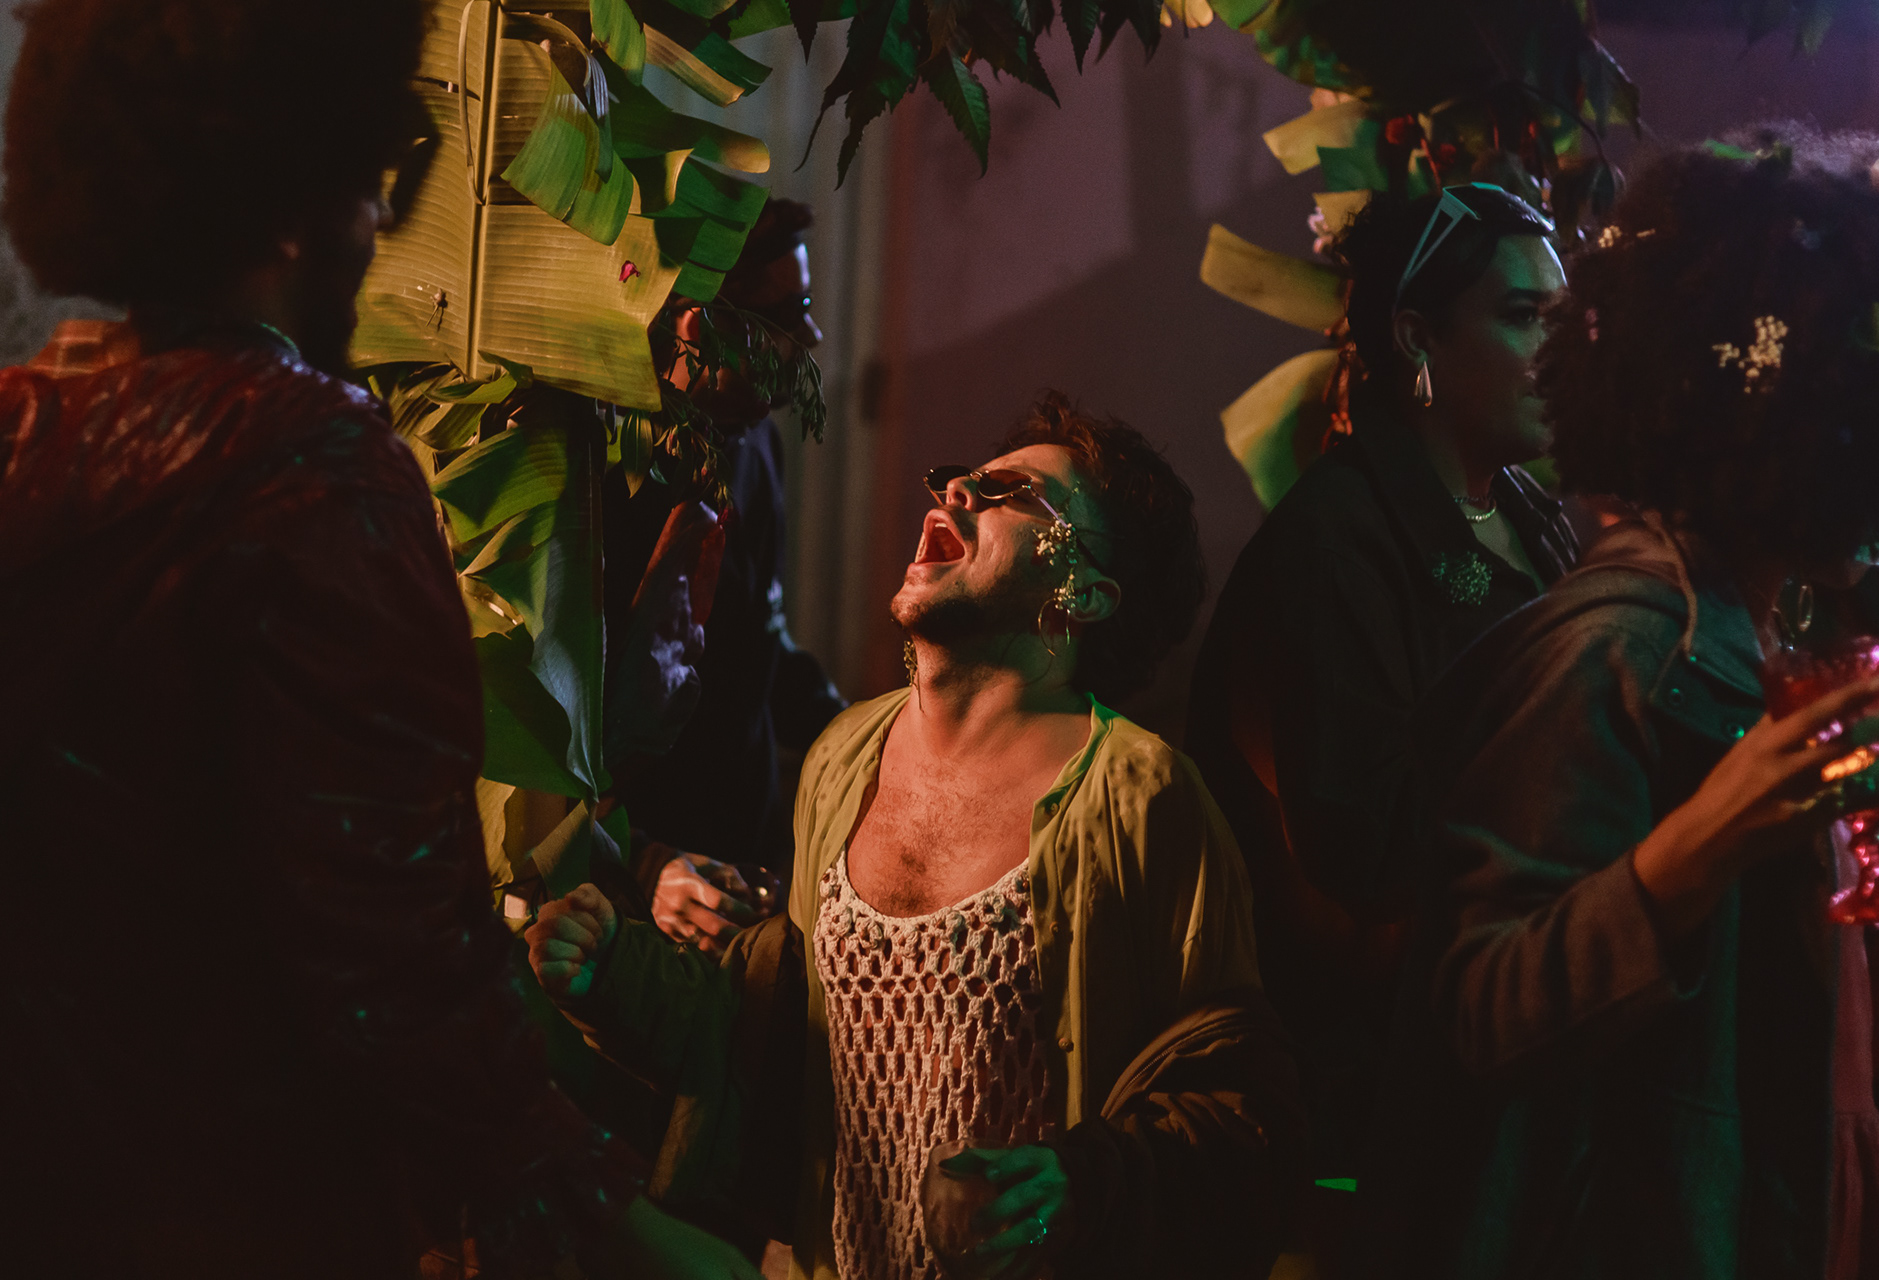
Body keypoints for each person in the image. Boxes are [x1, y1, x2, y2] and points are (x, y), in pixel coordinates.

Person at [0, 2, 758, 1276]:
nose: (382, 229)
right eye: (375, 185)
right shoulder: (308, 472)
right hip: (243, 1207)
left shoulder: (26, 433)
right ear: (298, 210)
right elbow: (392, 955)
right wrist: (622, 1223)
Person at [528, 393, 1304, 1279]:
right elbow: (785, 1044)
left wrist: (1077, 1184)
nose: (959, 489)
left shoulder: (1142, 798)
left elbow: (1240, 1111)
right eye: (964, 478)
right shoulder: (843, 755)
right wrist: (613, 976)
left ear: (1085, 593)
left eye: (1012, 493)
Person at [1368, 128, 1879, 1279]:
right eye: (1877, 424)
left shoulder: (1738, 633)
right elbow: (1477, 1006)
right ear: (1791, 425)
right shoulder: (1625, 649)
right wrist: (1702, 843)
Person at [1184, 183, 1579, 1210]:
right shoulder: (1339, 542)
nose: (1560, 351)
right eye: (1524, 316)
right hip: (1384, 1097)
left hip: (1506, 1059)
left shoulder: (1529, 517)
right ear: (1416, 338)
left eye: (1565, 319)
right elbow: (1364, 848)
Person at [603, 198, 846, 957]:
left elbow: (757, 643)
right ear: (694, 326)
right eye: (788, 314)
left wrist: (876, 738)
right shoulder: (608, 473)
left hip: (744, 862)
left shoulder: (755, 442)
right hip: (632, 899)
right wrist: (641, 864)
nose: (812, 337)